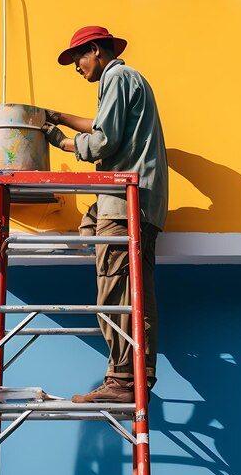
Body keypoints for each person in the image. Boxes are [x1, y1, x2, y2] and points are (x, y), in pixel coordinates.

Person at [41, 25, 168, 403]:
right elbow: (103, 126)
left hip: (124, 205)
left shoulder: (115, 77)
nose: (77, 68)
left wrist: (63, 143)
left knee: (113, 292)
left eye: (78, 59)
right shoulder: (131, 81)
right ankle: (137, 376)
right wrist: (61, 117)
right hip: (140, 204)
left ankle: (121, 380)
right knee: (134, 290)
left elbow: (102, 141)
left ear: (95, 50)